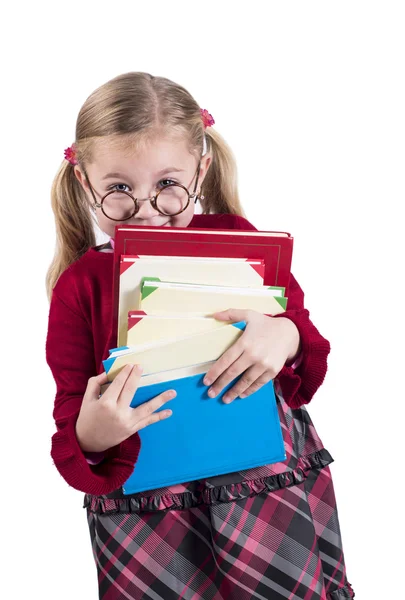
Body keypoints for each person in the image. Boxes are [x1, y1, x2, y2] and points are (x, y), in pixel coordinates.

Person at [46, 72, 354, 600]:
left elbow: (307, 346)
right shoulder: (79, 286)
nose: (146, 210)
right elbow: (73, 422)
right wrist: (94, 433)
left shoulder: (241, 243)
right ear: (84, 183)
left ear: (202, 169)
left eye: (169, 185)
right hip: (150, 509)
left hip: (262, 484)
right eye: (119, 190)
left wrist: (283, 337)